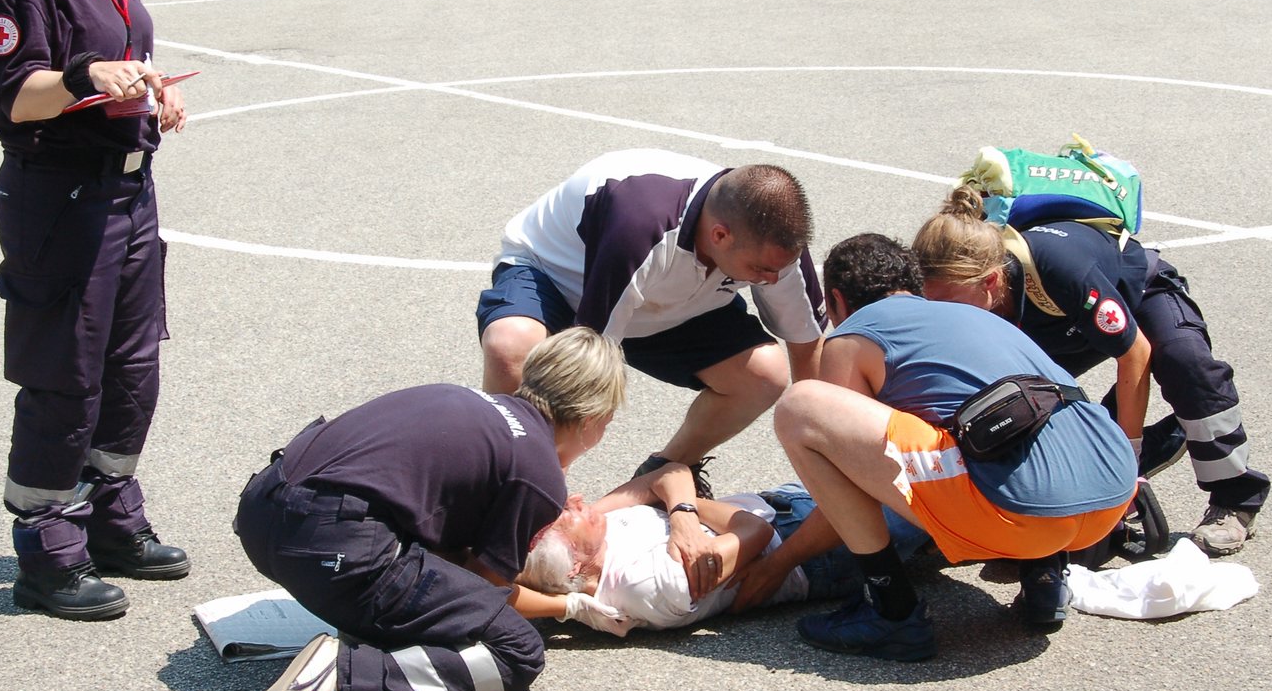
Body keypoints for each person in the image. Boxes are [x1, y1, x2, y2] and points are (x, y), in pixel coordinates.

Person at [0, 0, 190, 622]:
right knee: (65, 376)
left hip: (126, 191)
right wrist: (82, 76)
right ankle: (48, 549)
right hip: (62, 200)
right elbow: (15, 96)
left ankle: (110, 519)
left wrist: (149, 92)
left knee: (132, 370)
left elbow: (114, 49)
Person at [233, 328, 626, 691]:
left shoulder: (463, 397)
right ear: (590, 421)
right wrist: (567, 607)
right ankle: (338, 680)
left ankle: (367, 623)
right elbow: (489, 589)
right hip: (331, 550)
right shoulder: (539, 473)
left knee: (426, 592)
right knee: (516, 650)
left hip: (263, 512)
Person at [476, 148, 826, 600]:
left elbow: (807, 347)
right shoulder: (640, 223)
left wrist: (828, 460)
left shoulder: (771, 245)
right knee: (512, 347)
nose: (772, 280)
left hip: (668, 305)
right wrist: (554, 493)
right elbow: (584, 371)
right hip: (562, 284)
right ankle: (510, 491)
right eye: (761, 271)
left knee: (766, 373)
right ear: (719, 235)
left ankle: (664, 469)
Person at [773, 234, 1138, 661]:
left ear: (836, 300)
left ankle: (891, 612)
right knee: (1004, 427)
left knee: (802, 407)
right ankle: (1044, 577)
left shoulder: (851, 338)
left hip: (1020, 518)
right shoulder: (984, 318)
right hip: (1110, 495)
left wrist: (774, 566)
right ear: (916, 285)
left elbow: (853, 485)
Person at [913, 186, 1270, 556]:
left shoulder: (1058, 264)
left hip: (1133, 293)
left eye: (948, 304)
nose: (943, 315)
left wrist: (1129, 463)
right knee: (1014, 403)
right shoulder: (950, 285)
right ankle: (1134, 454)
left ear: (990, 281)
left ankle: (1235, 496)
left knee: (1186, 362)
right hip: (1056, 321)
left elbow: (1134, 354)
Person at [517, 470, 931, 634]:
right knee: (929, 498)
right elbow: (754, 529)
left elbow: (667, 474)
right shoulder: (650, 585)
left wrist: (679, 511)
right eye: (564, 514)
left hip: (787, 506)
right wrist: (685, 504)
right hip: (815, 548)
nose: (575, 499)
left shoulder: (599, 534)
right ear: (573, 563)